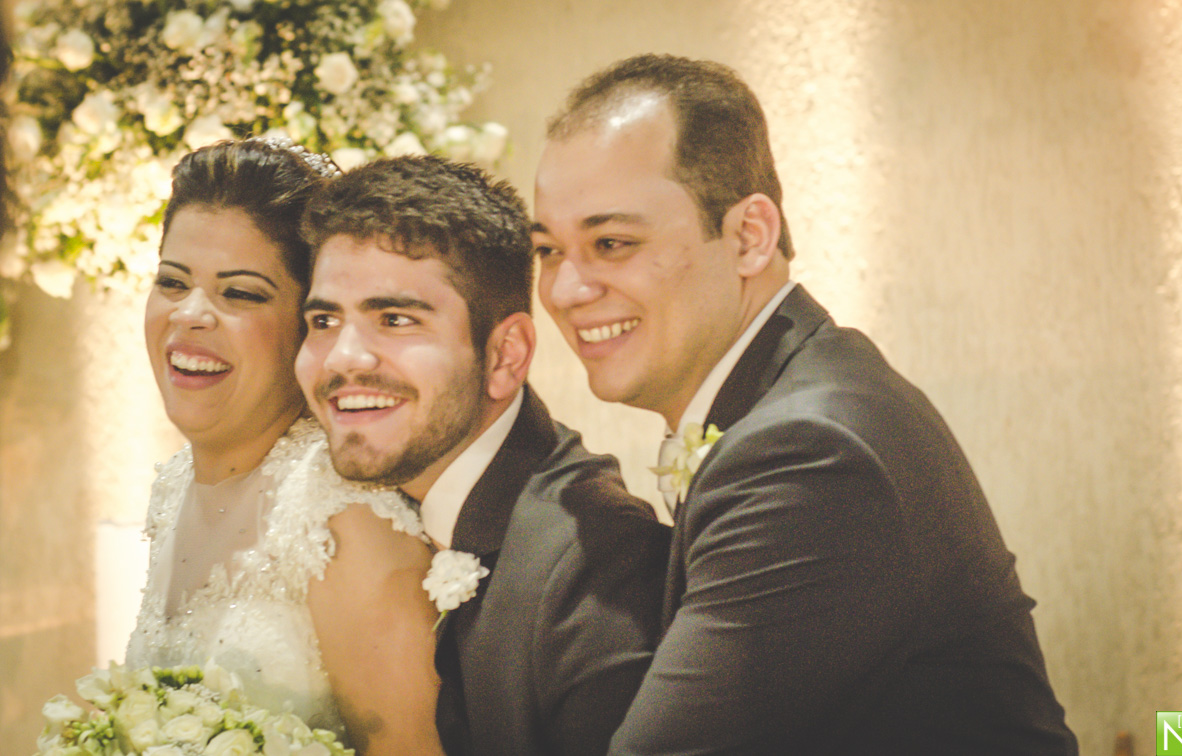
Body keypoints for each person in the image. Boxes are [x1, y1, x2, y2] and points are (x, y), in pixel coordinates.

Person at [533, 53, 1078, 755]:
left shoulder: (807, 454)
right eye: (549, 250)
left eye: (612, 243)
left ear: (749, 237)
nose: (566, 290)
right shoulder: (797, 390)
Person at [294, 154, 670, 756]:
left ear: (505, 355)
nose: (342, 358)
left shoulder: (597, 564)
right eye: (322, 319)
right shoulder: (392, 498)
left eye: (394, 319)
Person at [125, 137, 443, 756]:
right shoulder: (172, 486)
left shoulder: (340, 519)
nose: (190, 314)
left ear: (307, 324)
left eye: (239, 293)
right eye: (171, 281)